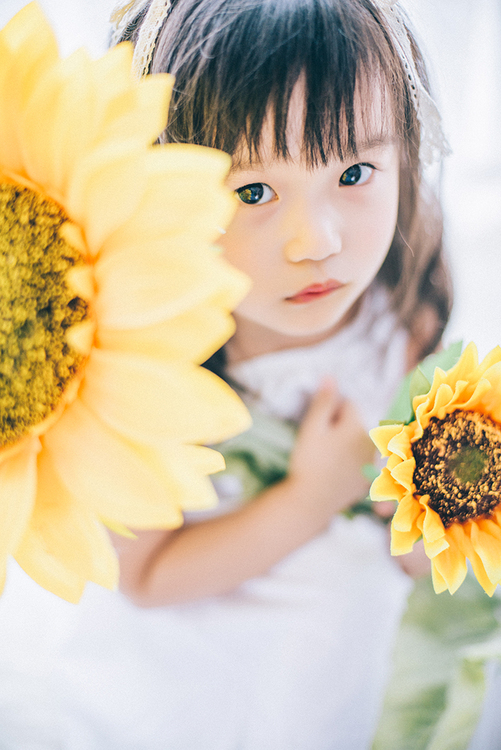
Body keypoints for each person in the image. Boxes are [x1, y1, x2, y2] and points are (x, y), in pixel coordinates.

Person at [51, 1, 455, 748]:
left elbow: (410, 487)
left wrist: (419, 529)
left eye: (356, 171)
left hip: (342, 677)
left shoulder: (399, 309)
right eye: (253, 192)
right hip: (206, 690)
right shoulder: (139, 367)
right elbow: (145, 577)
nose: (319, 241)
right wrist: (310, 498)